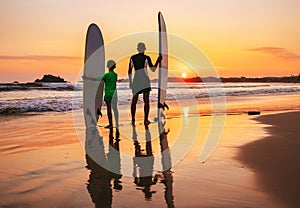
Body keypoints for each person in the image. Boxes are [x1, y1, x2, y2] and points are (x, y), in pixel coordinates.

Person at [128, 42, 162, 126]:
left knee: (134, 100)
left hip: (136, 80)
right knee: (146, 100)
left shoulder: (133, 58)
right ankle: (146, 120)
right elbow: (153, 69)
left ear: (137, 49)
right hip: (144, 80)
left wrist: (130, 82)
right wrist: (158, 60)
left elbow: (129, 71)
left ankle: (133, 120)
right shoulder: (147, 57)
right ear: (144, 49)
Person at [83, 60, 119, 130]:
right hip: (114, 94)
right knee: (115, 109)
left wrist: (87, 77)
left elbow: (96, 79)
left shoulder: (107, 75)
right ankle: (117, 123)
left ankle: (111, 124)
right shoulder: (115, 75)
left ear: (108, 66)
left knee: (109, 110)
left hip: (108, 94)